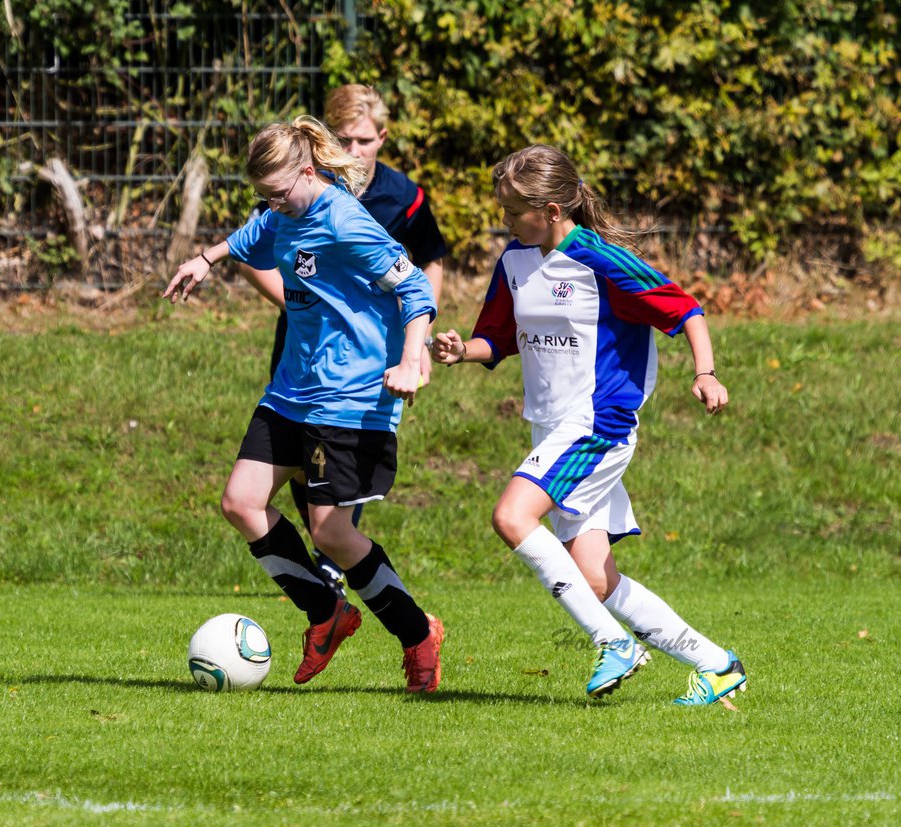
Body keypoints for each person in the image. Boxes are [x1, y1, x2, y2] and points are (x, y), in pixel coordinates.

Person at [430, 144, 746, 706]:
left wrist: (706, 372)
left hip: (597, 425)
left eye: (512, 211)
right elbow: (497, 337)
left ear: (552, 209)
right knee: (594, 579)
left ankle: (612, 643)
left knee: (511, 515)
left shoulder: (601, 261)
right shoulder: (514, 261)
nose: (504, 220)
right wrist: (462, 351)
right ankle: (716, 664)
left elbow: (685, 308)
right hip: (550, 427)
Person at [164, 115, 445, 693]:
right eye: (261, 196)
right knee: (241, 503)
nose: (269, 206)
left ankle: (418, 634)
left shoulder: (344, 220)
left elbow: (414, 286)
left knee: (331, 534)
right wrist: (206, 259)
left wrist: (412, 359)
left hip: (350, 396)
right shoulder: (282, 214)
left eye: (276, 193)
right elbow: (252, 236)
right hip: (291, 391)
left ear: (308, 173)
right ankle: (328, 612)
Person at [237, 85, 450, 595]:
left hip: (363, 366)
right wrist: (293, 300)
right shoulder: (290, 195)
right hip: (300, 352)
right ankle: (329, 573)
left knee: (330, 503)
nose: (354, 150)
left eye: (364, 139)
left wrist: (413, 348)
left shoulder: (399, 198)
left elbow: (424, 268)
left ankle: (338, 574)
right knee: (287, 480)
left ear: (383, 137)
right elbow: (251, 247)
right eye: (345, 139)